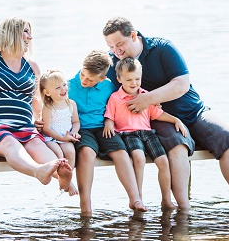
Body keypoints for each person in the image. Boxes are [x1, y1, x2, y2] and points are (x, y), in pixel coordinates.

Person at [103, 17, 229, 209]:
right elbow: (88, 81)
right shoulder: (112, 62)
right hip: (161, 120)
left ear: (133, 35)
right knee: (177, 145)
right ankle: (183, 208)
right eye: (111, 46)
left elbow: (182, 84)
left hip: (195, 111)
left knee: (228, 138)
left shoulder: (162, 48)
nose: (116, 51)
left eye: (119, 44)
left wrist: (148, 99)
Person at [0, 17, 72, 190]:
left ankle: (62, 175)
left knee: (36, 144)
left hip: (23, 126)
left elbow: (36, 103)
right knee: (9, 142)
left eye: (30, 33)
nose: (30, 37)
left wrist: (40, 119)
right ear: (10, 33)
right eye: (25, 32)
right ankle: (39, 172)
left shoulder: (32, 67)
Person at [66, 51, 146, 216]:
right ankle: (85, 205)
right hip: (81, 128)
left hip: (105, 127)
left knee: (121, 153)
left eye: (90, 79)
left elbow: (125, 100)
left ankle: (135, 198)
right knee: (87, 153)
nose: (84, 80)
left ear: (101, 79)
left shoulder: (109, 86)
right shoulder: (69, 86)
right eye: (83, 74)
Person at [104, 58, 189, 210]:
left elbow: (157, 114)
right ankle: (137, 198)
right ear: (119, 79)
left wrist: (175, 120)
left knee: (163, 161)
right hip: (129, 134)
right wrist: (109, 124)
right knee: (139, 157)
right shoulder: (115, 98)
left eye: (137, 79)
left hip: (148, 134)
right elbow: (109, 116)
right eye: (129, 79)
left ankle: (166, 200)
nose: (134, 83)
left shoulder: (146, 96)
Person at [37, 70, 80, 196]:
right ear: (47, 93)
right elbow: (46, 128)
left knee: (71, 152)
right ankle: (67, 183)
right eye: (57, 87)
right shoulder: (48, 107)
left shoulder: (71, 104)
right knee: (60, 155)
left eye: (64, 85)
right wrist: (61, 137)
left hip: (66, 137)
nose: (63, 89)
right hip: (51, 138)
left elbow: (76, 122)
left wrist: (74, 133)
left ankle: (68, 178)